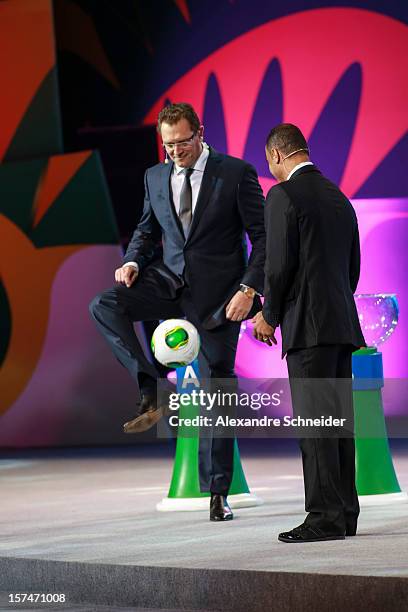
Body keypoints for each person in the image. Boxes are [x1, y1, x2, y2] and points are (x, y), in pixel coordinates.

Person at [90, 103, 265, 521]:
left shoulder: (236, 173)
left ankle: (217, 492)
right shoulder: (155, 176)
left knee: (217, 386)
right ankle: (147, 385)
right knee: (105, 304)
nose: (175, 152)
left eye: (182, 143)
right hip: (167, 281)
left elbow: (263, 239)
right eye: (168, 146)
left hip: (220, 296)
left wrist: (249, 289)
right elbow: (147, 229)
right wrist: (133, 260)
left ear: (200, 133)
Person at [253, 123, 365, 542]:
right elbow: (351, 268)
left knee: (317, 425)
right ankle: (345, 514)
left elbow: (279, 265)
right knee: (339, 423)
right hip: (339, 324)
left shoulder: (282, 195)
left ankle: (323, 517)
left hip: (308, 326)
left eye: (270, 164)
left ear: (277, 156)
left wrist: (270, 315)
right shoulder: (339, 197)